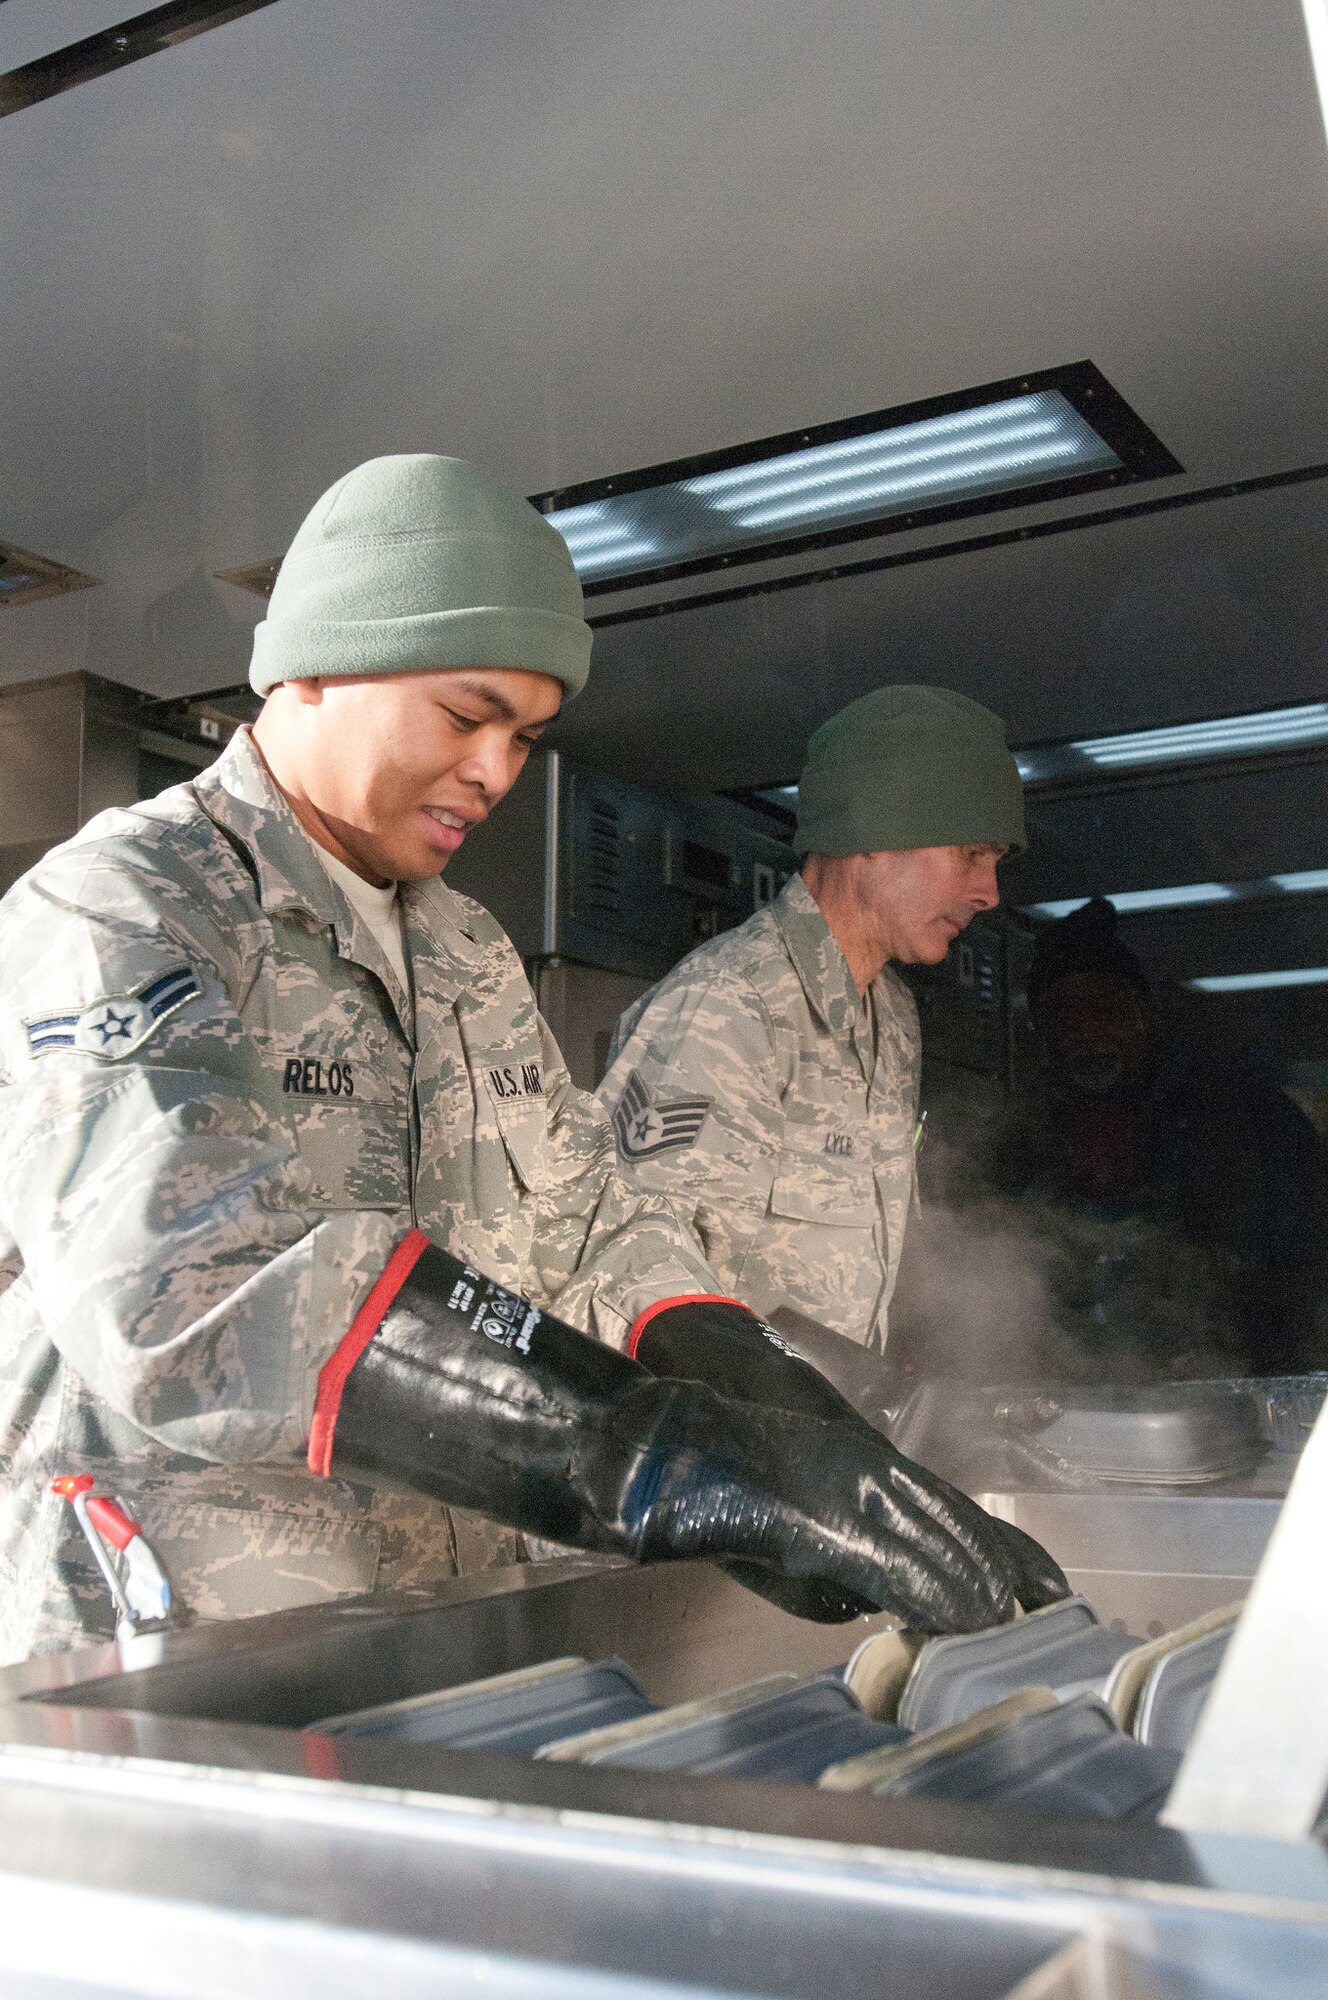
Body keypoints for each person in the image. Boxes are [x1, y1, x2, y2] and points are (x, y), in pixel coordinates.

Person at [0, 456, 1065, 1662]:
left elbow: (587, 1221)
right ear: (318, 662)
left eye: (526, 733)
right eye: (465, 716)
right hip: (176, 1643)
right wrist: (659, 1456)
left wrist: (790, 1420)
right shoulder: (127, 906)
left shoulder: (462, 948)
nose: (498, 772)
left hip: (424, 1620)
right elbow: (199, 1281)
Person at [598, 685, 1026, 1352]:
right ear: (875, 833)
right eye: (972, 854)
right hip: (730, 1436)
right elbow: (627, 1279)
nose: (989, 892)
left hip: (826, 1435)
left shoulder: (894, 1015)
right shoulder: (729, 1006)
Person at [987, 896, 1328, 1380]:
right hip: (1075, 1387)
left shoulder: (1244, 1115)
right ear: (1041, 1031)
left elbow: (1303, 1273)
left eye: (1105, 1009)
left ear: (1143, 1014)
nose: (1087, 1032)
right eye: (1063, 1016)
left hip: (1235, 1384)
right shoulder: (1023, 1135)